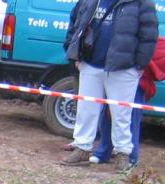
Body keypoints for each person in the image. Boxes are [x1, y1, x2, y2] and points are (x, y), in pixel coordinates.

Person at [60, 0, 158, 171]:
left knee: (121, 114)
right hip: (91, 63)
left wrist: (139, 65)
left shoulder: (142, 2)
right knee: (85, 110)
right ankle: (82, 148)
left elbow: (149, 35)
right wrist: (75, 51)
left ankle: (122, 154)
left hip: (123, 67)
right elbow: (76, 21)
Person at [91, 36, 165, 166]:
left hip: (136, 81)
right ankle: (103, 153)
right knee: (106, 117)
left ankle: (132, 157)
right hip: (114, 75)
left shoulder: (148, 33)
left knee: (131, 119)